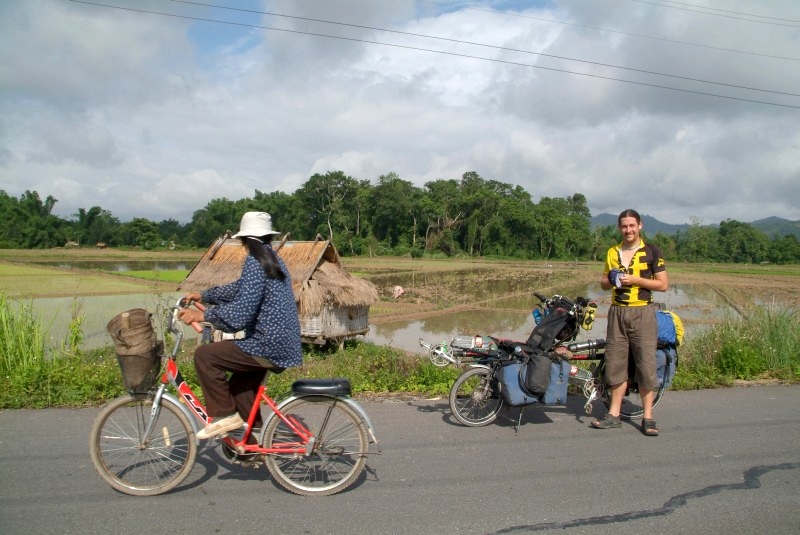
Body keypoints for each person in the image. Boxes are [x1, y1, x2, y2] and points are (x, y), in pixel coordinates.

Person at [179, 212, 302, 439]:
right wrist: (205, 295)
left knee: (205, 355)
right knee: (239, 390)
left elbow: (240, 315)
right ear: (267, 237)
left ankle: (225, 416)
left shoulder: (255, 262)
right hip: (282, 342)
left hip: (267, 345)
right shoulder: (271, 259)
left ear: (245, 240)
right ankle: (251, 444)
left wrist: (201, 315)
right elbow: (240, 288)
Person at [592, 209, 668, 436]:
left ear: (639, 226)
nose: (628, 230)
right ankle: (613, 414)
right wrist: (611, 279)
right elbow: (603, 283)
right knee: (615, 363)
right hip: (617, 312)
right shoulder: (612, 252)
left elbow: (663, 284)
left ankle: (648, 418)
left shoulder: (651, 251)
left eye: (632, 226)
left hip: (643, 312)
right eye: (624, 226)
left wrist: (635, 280)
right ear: (619, 228)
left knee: (645, 363)